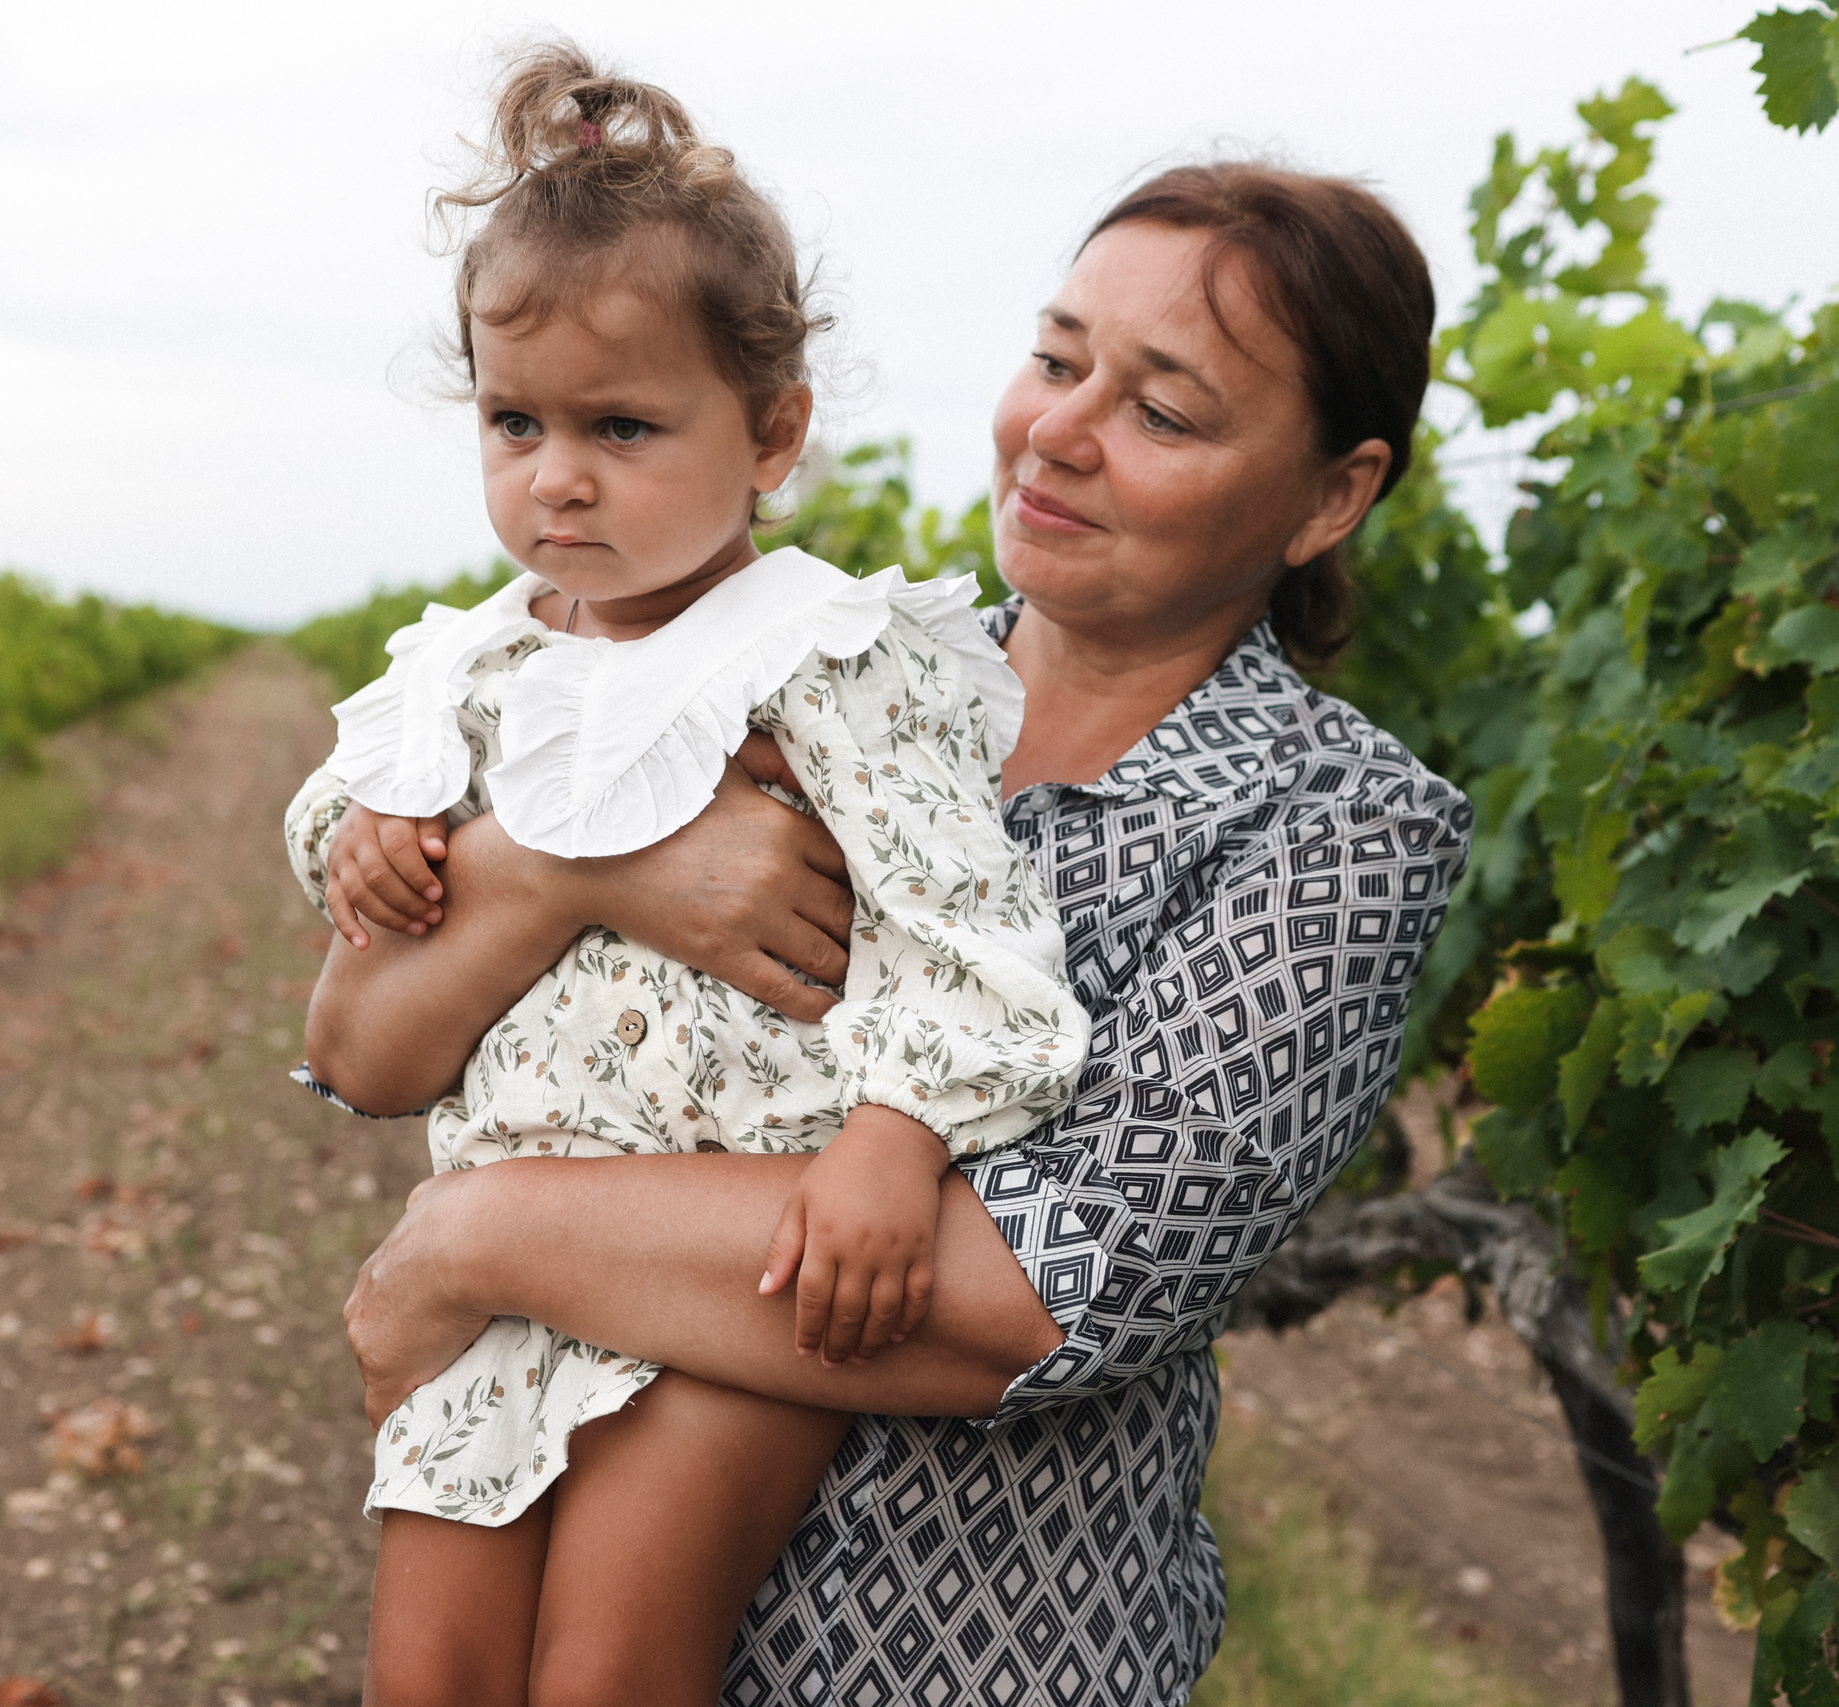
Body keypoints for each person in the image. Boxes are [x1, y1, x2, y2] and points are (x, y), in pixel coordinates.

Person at [308, 152, 1473, 1705]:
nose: (1059, 432)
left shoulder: (1332, 824)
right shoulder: (815, 664)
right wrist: (558, 876)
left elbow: (1041, 1293)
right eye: (1056, 360)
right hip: (548, 1471)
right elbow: (362, 1048)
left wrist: (480, 1236)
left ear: (1333, 496)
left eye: (1163, 411)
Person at [282, 42, 1090, 1707]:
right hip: (508, 1274)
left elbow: (970, 927)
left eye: (622, 425)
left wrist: (889, 1141)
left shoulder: (822, 656)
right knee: (426, 1675)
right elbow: (348, 839)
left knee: (610, 1672)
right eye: (516, 422)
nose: (556, 474)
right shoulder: (473, 665)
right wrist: (368, 842)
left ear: (774, 431)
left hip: (725, 1265)